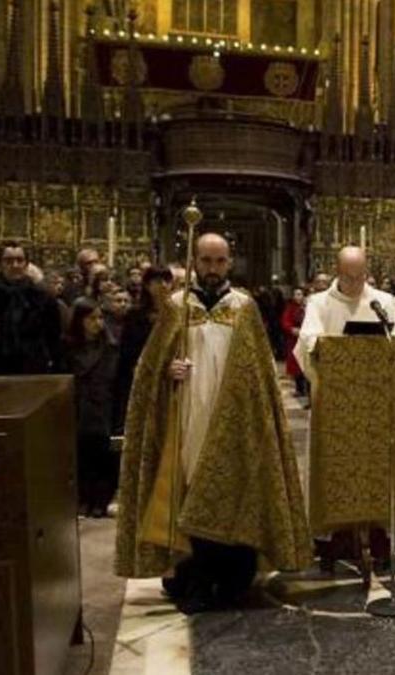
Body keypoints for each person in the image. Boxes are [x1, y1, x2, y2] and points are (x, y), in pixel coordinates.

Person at [115, 233, 311, 615]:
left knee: (232, 489)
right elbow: (147, 369)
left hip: (234, 420)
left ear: (230, 263)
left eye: (219, 261)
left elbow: (259, 373)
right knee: (190, 488)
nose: (211, 268)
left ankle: (234, 578)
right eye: (205, 260)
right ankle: (195, 578)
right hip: (188, 415)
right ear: (193, 260)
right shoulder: (176, 307)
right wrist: (166, 372)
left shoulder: (244, 307)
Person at [294, 246, 395, 386]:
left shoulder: (385, 302)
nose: (354, 283)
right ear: (337, 272)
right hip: (334, 384)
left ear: (366, 272)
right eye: (348, 278)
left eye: (359, 277)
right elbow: (308, 338)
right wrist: (337, 350)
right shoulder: (318, 303)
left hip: (378, 384)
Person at [65, 298, 121, 517]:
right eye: (92, 318)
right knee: (81, 456)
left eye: (100, 318)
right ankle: (83, 499)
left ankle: (100, 500)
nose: (98, 323)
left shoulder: (111, 347)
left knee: (103, 456)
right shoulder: (68, 348)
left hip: (103, 407)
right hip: (79, 407)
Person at [0, 241, 64, 374]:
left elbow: (53, 336)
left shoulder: (43, 297)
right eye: (8, 261)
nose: (15, 265)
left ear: (26, 263)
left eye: (20, 260)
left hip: (33, 368)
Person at [115, 266, 172, 434]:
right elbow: (128, 352)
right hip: (141, 375)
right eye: (157, 281)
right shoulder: (135, 315)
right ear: (147, 285)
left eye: (166, 281)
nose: (162, 285)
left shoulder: (177, 314)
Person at [281, 287, 309, 397]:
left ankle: (307, 390)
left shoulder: (308, 306)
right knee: (296, 365)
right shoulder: (290, 307)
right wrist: (291, 329)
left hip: (306, 338)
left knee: (306, 365)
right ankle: (299, 389)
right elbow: (285, 321)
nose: (298, 297)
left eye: (300, 294)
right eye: (296, 294)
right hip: (294, 339)